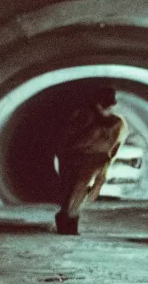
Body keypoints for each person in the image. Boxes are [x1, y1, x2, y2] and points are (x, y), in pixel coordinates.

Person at [54, 86, 127, 235]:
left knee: (79, 189)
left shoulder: (116, 122)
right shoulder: (85, 115)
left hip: (92, 160)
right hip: (78, 157)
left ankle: (69, 217)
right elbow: (68, 136)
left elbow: (114, 145)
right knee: (76, 189)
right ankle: (68, 217)